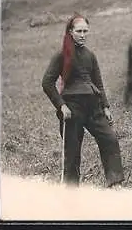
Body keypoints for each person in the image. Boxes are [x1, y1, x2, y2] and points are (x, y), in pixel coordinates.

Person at [42, 14, 125, 187]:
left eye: (85, 31)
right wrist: (61, 105)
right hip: (72, 108)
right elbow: (47, 83)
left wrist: (106, 107)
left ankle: (115, 182)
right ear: (70, 32)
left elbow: (99, 83)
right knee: (72, 152)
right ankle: (72, 193)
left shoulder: (90, 55)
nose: (82, 34)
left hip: (94, 107)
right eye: (78, 31)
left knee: (110, 139)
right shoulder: (61, 55)